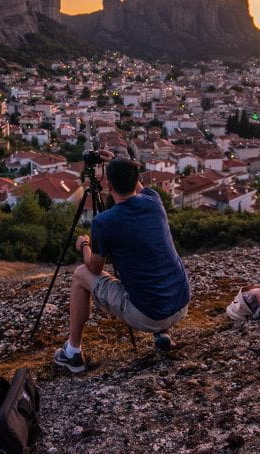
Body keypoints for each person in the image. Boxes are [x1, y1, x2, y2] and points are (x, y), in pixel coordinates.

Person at [54, 157, 191, 373]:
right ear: (136, 179)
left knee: (81, 275)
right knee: (144, 264)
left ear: (108, 185)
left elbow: (95, 268)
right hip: (181, 304)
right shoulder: (153, 200)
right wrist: (119, 162)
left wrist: (84, 246)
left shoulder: (105, 221)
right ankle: (163, 334)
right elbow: (137, 184)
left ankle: (72, 353)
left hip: (148, 316)